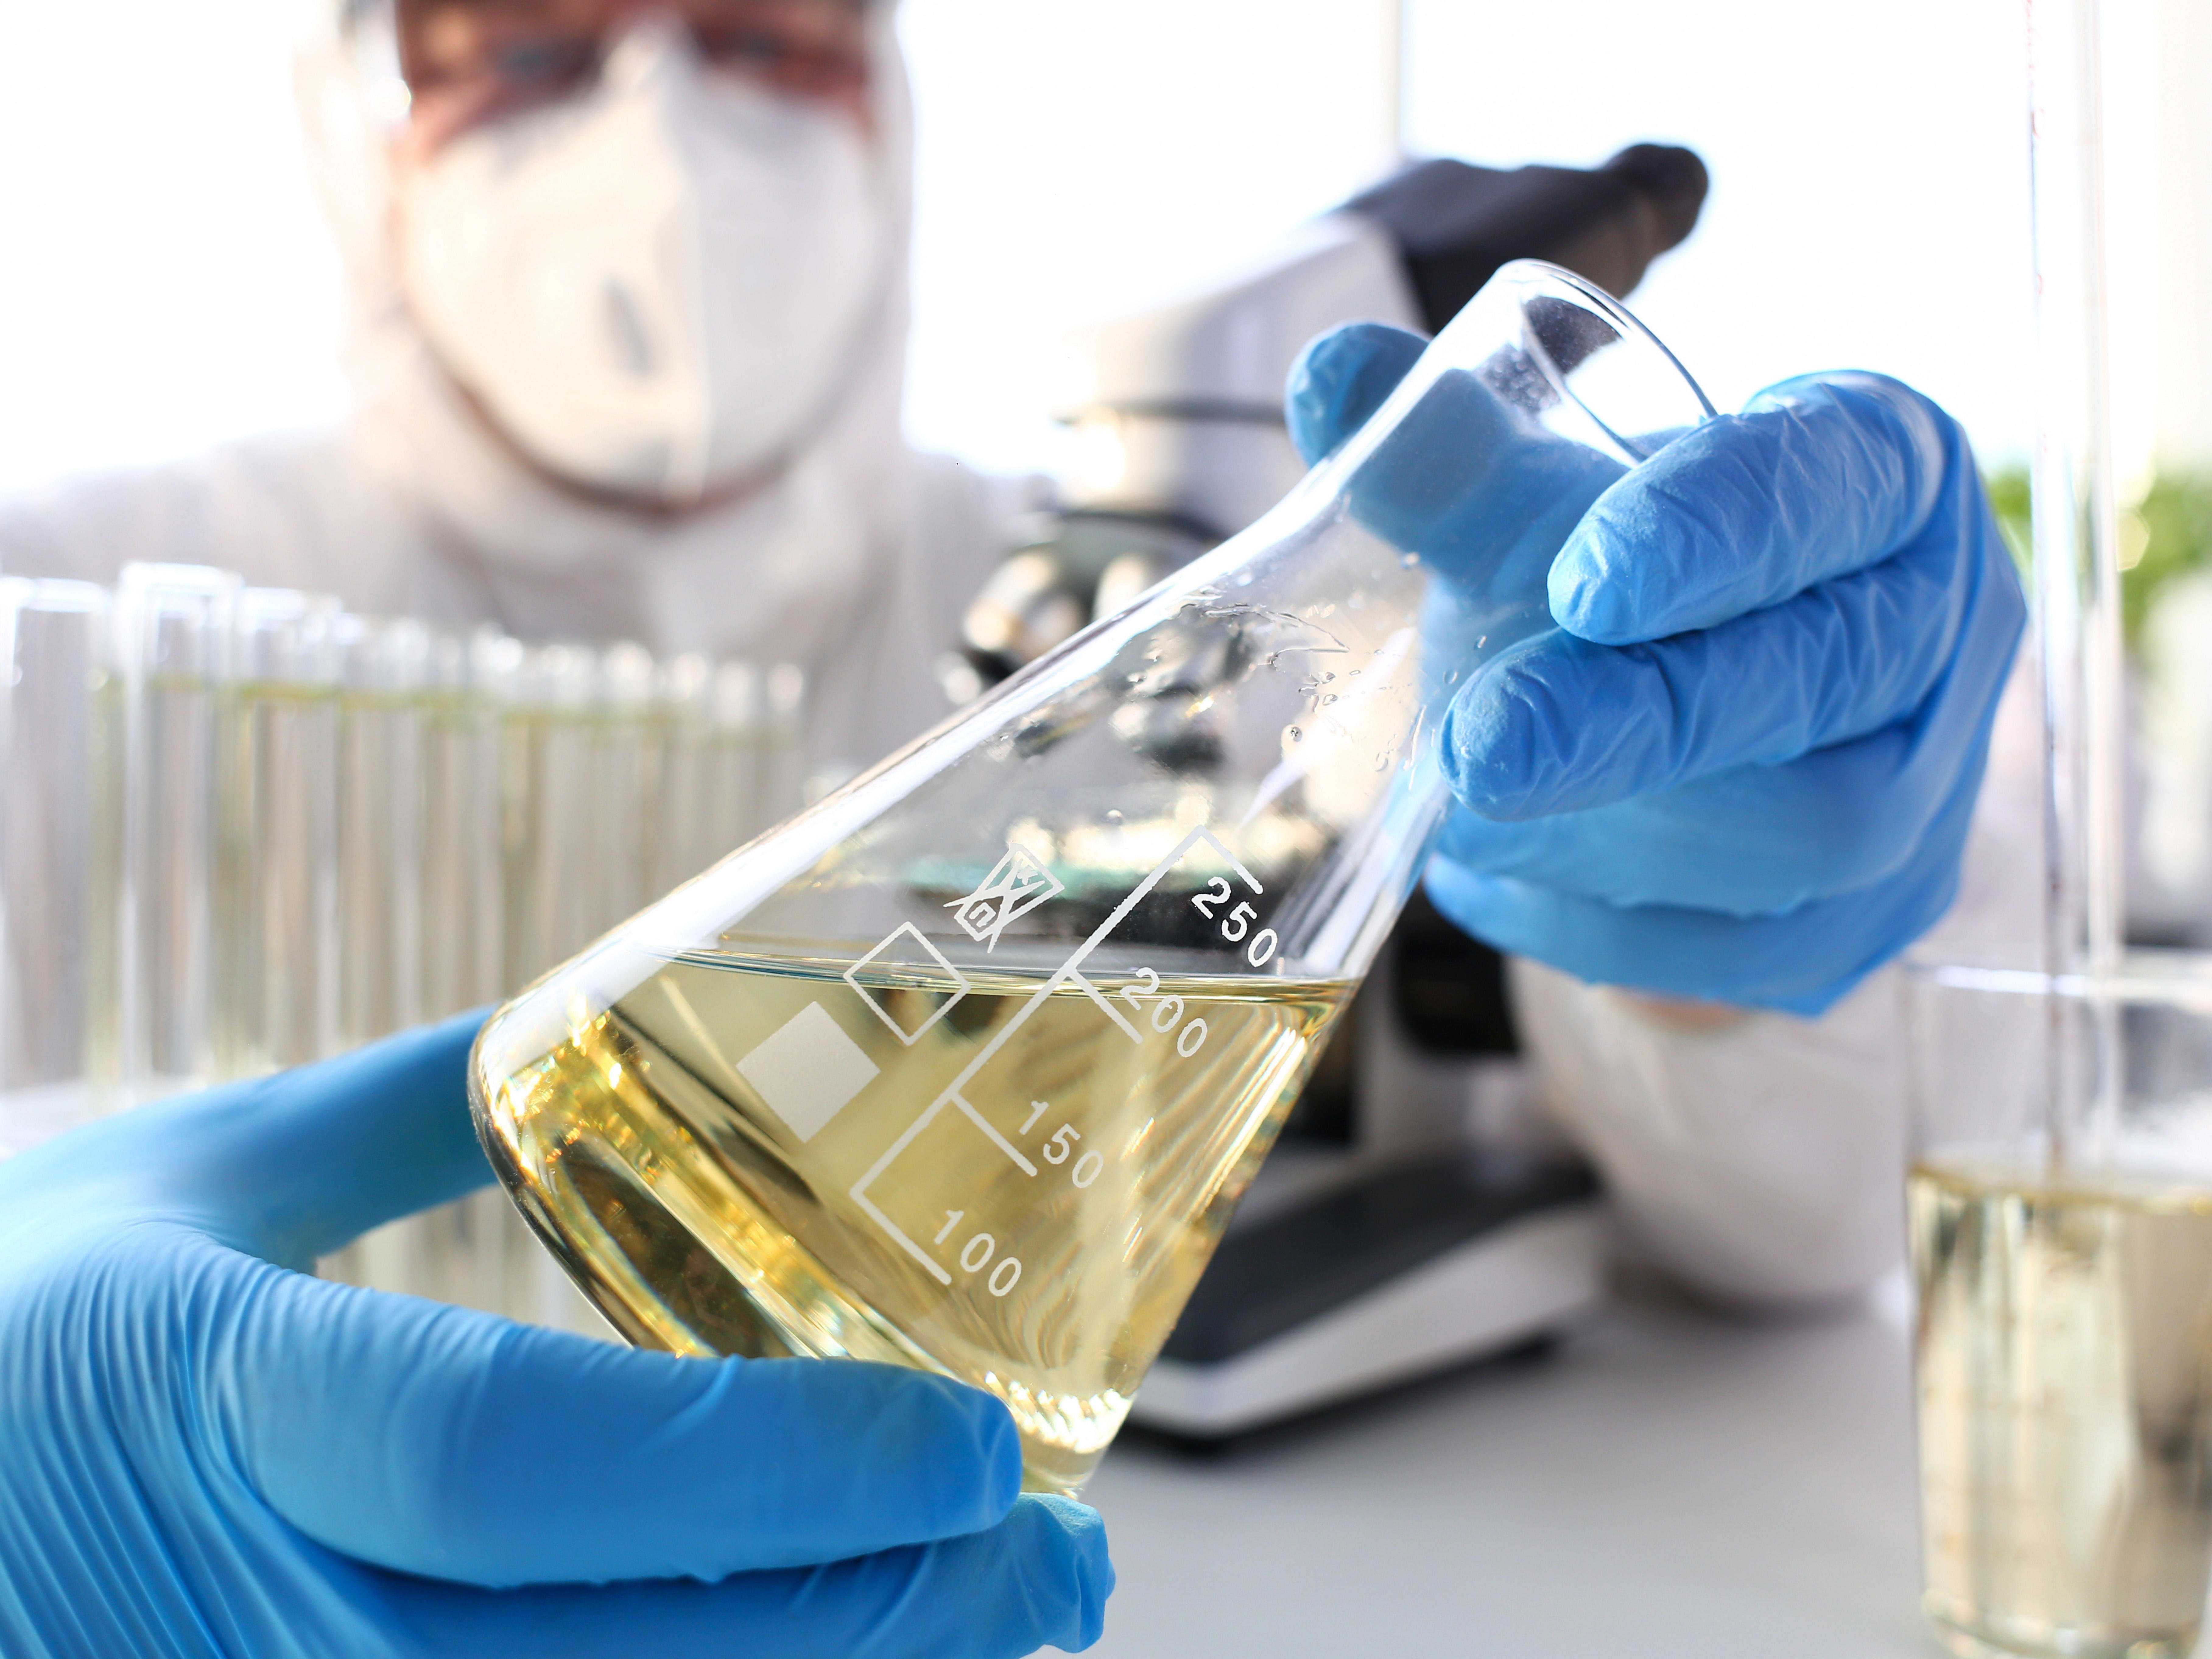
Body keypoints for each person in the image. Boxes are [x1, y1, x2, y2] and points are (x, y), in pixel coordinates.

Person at [0, 0, 2025, 1650]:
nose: (665, 130)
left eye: (760, 34)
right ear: (366, 119)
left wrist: (1689, 885)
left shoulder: (1069, 573)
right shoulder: (78, 592)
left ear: (884, 89)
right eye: (526, 45)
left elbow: (1796, 1242)